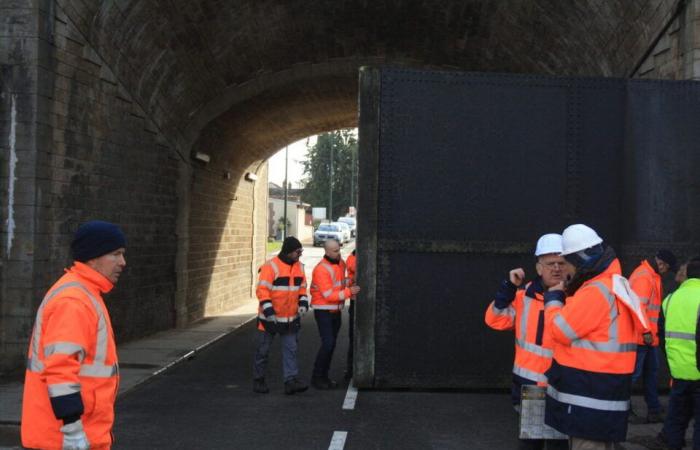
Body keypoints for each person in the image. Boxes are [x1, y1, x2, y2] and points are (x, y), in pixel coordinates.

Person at [21, 220, 126, 450]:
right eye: (116, 254)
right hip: (63, 439)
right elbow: (60, 367)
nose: (122, 262)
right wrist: (72, 429)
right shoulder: (74, 301)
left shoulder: (83, 293)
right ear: (93, 256)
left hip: (72, 435)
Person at [543, 224, 638, 450]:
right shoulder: (613, 283)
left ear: (579, 260)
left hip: (590, 394)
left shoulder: (595, 291)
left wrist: (554, 300)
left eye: (565, 263)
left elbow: (560, 330)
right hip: (604, 391)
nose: (563, 270)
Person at [485, 233, 570, 450]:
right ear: (539, 267)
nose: (557, 268)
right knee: (530, 444)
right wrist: (508, 288)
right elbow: (495, 320)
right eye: (550, 263)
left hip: (563, 386)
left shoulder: (577, 298)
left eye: (561, 262)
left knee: (559, 444)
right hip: (530, 387)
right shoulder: (524, 296)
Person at [253, 236, 309, 395]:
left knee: (291, 350)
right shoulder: (270, 267)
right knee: (262, 351)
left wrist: (303, 303)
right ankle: (259, 380)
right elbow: (262, 291)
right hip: (269, 319)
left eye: (301, 251)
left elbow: (302, 288)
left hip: (290, 319)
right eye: (298, 252)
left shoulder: (299, 267)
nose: (300, 254)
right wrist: (269, 312)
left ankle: (290, 382)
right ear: (289, 251)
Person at [656, 256, 700, 450]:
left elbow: (662, 334)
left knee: (676, 420)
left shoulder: (670, 299)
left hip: (678, 372)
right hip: (698, 373)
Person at [628, 249, 676, 423]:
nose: (666, 272)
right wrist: (645, 331)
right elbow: (638, 308)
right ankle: (624, 409)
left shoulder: (650, 275)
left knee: (650, 374)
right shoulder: (644, 277)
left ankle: (654, 409)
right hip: (642, 337)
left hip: (648, 338)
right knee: (634, 376)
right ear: (661, 263)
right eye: (667, 268)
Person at [310, 239, 360, 389]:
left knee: (330, 345)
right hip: (323, 311)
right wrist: (349, 291)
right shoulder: (321, 269)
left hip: (335, 311)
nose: (338, 253)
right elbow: (329, 295)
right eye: (335, 251)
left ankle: (323, 377)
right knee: (328, 344)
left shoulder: (341, 263)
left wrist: (350, 282)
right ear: (326, 251)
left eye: (339, 249)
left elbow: (340, 282)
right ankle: (317, 377)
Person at [345, 249, 357, 381]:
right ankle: (350, 369)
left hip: (356, 302)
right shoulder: (352, 259)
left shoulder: (352, 258)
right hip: (355, 302)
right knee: (354, 337)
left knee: (354, 337)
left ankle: (350, 369)